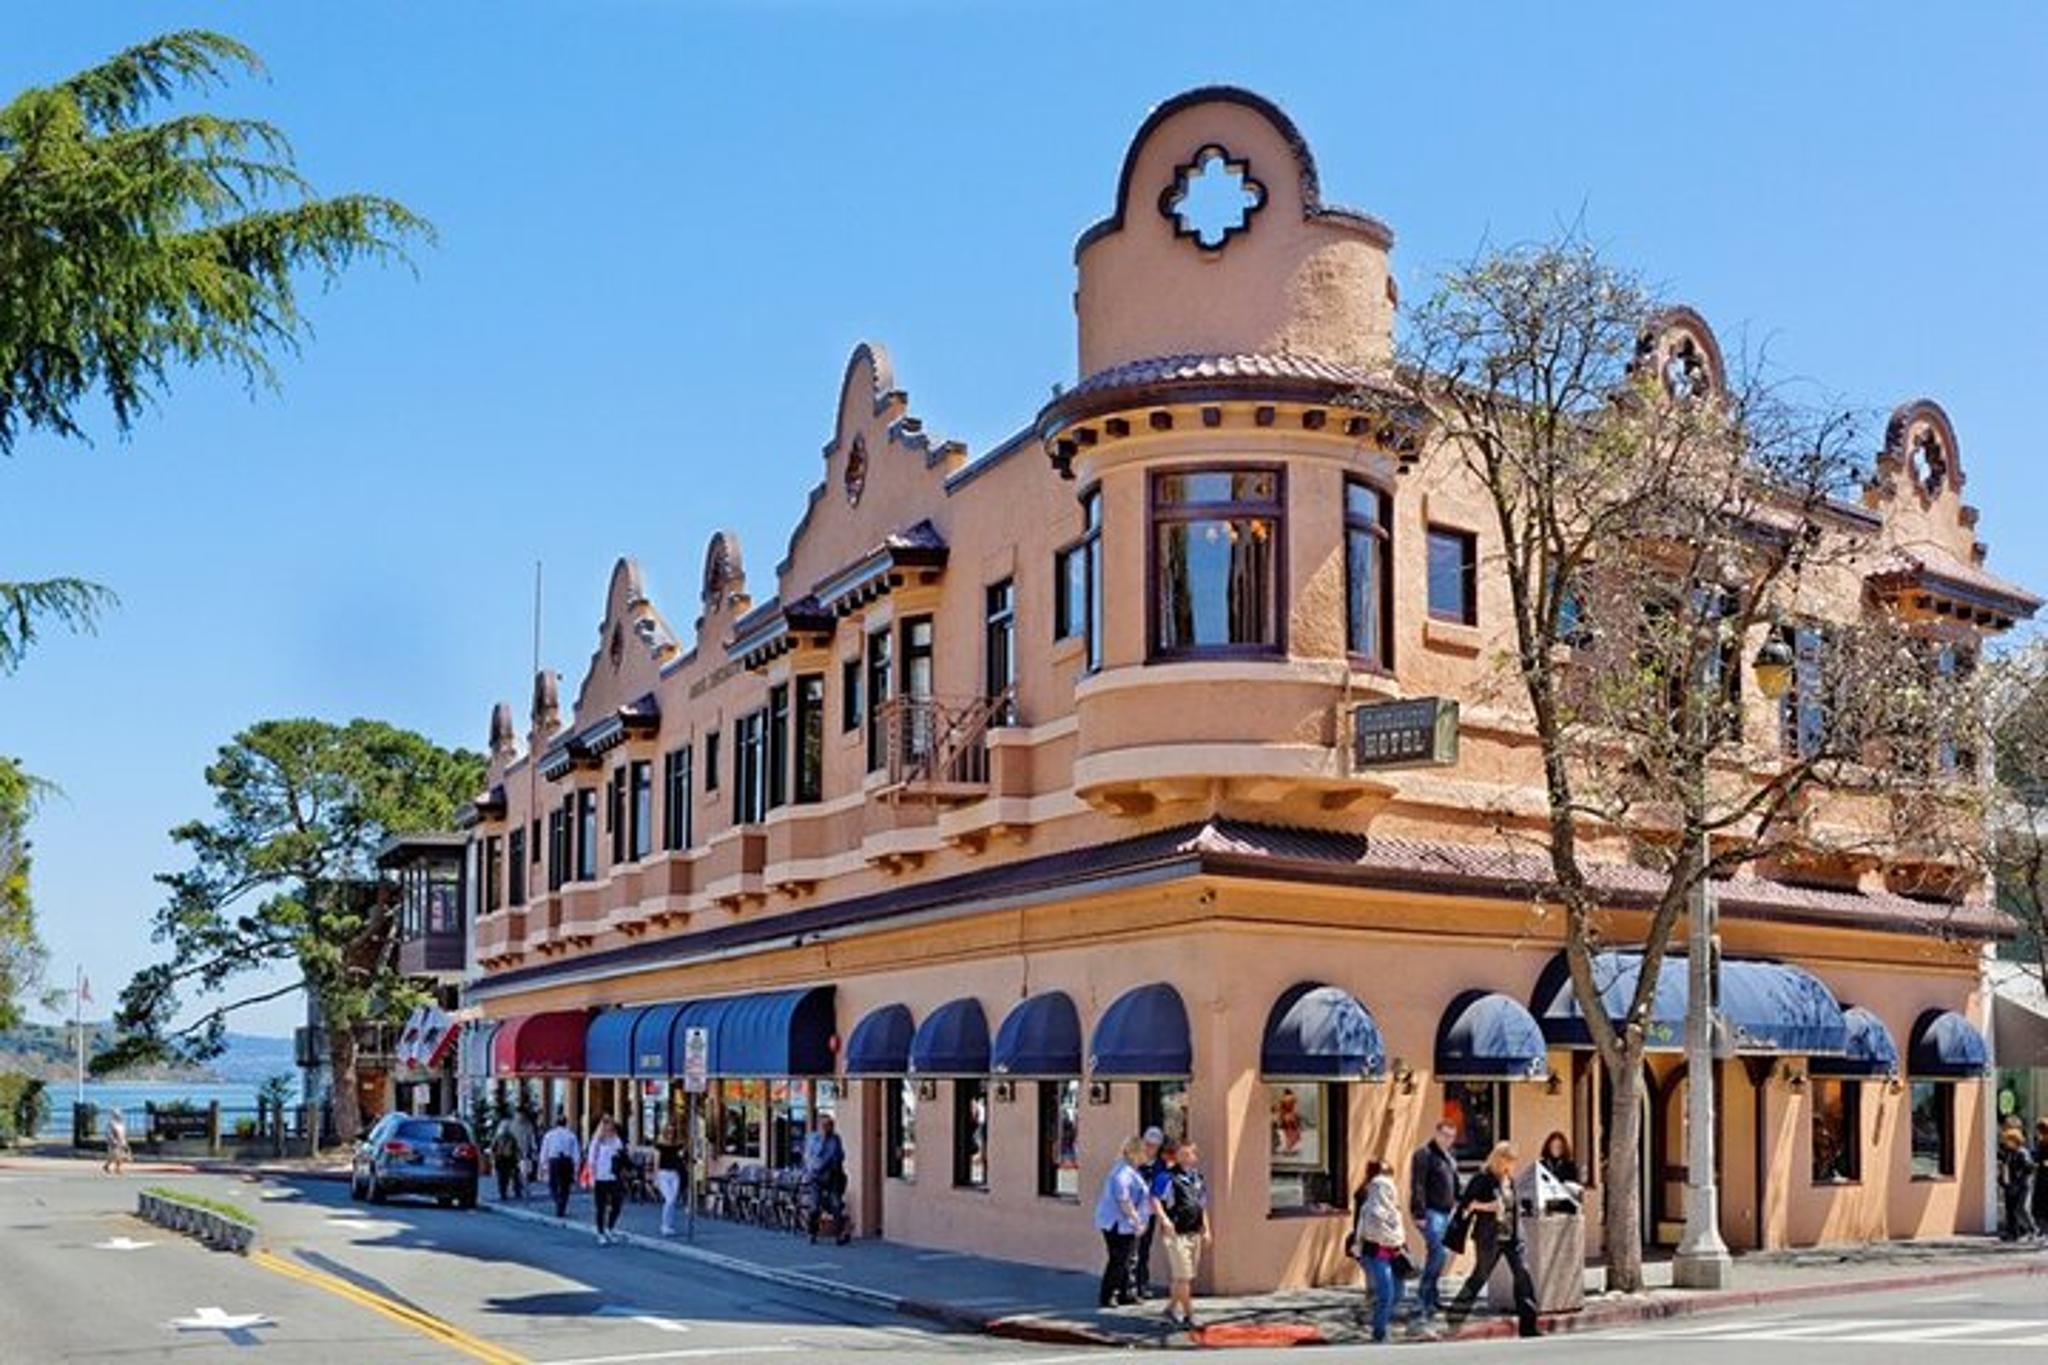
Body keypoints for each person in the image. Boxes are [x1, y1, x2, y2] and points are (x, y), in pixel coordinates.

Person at [1446, 1141, 1542, 1338]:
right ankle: (1454, 1317)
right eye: (1509, 1161)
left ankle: (1529, 1326)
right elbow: (1467, 1204)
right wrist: (1489, 1206)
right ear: (1499, 1159)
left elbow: (1512, 1206)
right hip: (1489, 1237)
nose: (1512, 1165)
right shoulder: (1482, 1179)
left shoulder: (1509, 1180)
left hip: (1512, 1236)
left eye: (1513, 1161)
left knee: (1523, 1275)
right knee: (1479, 1277)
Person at [1149, 1139, 1211, 1329]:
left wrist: (1206, 1229)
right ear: (1176, 1156)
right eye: (1183, 1154)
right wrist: (1164, 1220)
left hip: (1194, 1231)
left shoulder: (1197, 1178)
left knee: (1183, 1277)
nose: (1188, 1157)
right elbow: (1154, 1199)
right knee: (1183, 1276)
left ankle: (1169, 1311)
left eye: (1190, 1153)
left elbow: (1201, 1205)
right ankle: (1190, 1315)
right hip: (1176, 1233)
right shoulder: (1167, 1177)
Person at [1407, 1120, 1459, 1325]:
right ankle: (1422, 1298)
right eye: (1445, 1135)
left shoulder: (1450, 1156)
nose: (1448, 1139)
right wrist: (1419, 1213)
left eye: (1451, 1136)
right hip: (1430, 1212)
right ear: (1437, 1133)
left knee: (1438, 1255)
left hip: (1447, 1213)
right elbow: (1417, 1185)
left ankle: (1432, 1297)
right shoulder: (1424, 1154)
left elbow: (1454, 1182)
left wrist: (1460, 1201)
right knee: (1439, 1252)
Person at [1351, 1160, 1407, 1344]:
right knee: (1385, 1292)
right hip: (1375, 1252)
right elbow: (1367, 1229)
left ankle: (1375, 1317)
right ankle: (1379, 1331)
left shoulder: (1393, 1206)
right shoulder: (1367, 1202)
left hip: (1394, 1252)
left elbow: (1399, 1229)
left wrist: (1400, 1243)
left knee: (1398, 1292)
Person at [1094, 1136, 1150, 1309]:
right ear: (1135, 1153)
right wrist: (1137, 1220)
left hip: (1127, 1224)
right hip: (1117, 1223)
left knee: (1129, 1258)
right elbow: (1123, 1200)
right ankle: (1109, 1294)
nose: (1146, 1155)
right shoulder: (1122, 1173)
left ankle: (1126, 1292)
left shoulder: (1132, 1171)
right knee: (1118, 1259)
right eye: (1143, 1152)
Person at [801, 1113, 851, 1244]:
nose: (827, 1127)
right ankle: (812, 1232)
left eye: (829, 1125)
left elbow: (838, 1156)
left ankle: (839, 1235)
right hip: (816, 1177)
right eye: (824, 1125)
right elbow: (809, 1158)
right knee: (814, 1207)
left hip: (832, 1177)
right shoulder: (812, 1138)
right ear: (819, 1125)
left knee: (836, 1205)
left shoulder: (835, 1139)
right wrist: (822, 1140)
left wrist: (832, 1162)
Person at [1132, 1126, 1166, 1299]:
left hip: (1149, 1213)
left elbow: (1161, 1188)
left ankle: (1142, 1285)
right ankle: (1127, 1287)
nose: (1150, 1148)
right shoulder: (1135, 1162)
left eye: (1154, 1145)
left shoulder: (1161, 1165)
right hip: (1131, 1211)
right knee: (1130, 1251)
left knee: (1144, 1249)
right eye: (1147, 1144)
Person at [585, 1115, 627, 1245]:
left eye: (610, 1125)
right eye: (605, 1125)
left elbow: (622, 1156)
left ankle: (610, 1227)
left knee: (617, 1204)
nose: (608, 1128)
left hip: (614, 1176)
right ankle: (600, 1232)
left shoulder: (616, 1140)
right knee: (600, 1207)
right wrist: (592, 1178)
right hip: (600, 1177)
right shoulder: (596, 1142)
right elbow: (591, 1160)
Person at [538, 1111, 580, 1220]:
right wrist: (576, 1167)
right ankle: (562, 1206)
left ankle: (557, 1200)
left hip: (554, 1160)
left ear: (556, 1123)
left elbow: (544, 1150)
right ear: (566, 1123)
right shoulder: (571, 1135)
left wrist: (543, 1165)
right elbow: (576, 1153)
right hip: (566, 1161)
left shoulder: (549, 1135)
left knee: (553, 1184)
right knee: (565, 1185)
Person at [1997, 1126, 2035, 1241]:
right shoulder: (2009, 1153)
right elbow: (2005, 1167)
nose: (2006, 1143)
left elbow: (2029, 1168)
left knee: (2020, 1208)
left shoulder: (2022, 1153)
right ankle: (2012, 1233)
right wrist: (2002, 1180)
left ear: (2015, 1140)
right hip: (2010, 1184)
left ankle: (2032, 1229)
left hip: (2021, 1185)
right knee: (2010, 1210)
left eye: (2009, 1140)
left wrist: (2019, 1175)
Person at [653, 1121, 686, 1237]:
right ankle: (664, 1225)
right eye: (669, 1131)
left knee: (673, 1200)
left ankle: (670, 1225)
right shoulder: (659, 1145)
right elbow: (656, 1162)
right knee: (669, 1199)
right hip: (663, 1174)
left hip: (675, 1174)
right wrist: (655, 1178)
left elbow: (682, 1157)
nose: (671, 1134)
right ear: (665, 1132)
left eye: (673, 1132)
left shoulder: (678, 1145)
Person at [491, 1112, 526, 1201]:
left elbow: (493, 1148)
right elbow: (516, 1148)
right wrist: (520, 1155)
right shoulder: (511, 1137)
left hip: (500, 1159)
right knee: (514, 1175)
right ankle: (516, 1191)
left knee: (502, 1177)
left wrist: (493, 1159)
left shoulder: (498, 1137)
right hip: (510, 1159)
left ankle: (503, 1193)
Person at [510, 1106, 539, 1196]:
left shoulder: (526, 1125)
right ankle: (518, 1188)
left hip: (522, 1152)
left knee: (523, 1172)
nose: (520, 1116)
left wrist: (534, 1149)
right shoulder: (513, 1124)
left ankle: (522, 1188)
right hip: (516, 1152)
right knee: (517, 1171)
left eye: (521, 1114)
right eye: (519, 1114)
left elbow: (532, 1138)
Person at [102, 1109, 131, 1176]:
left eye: (119, 1114)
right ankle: (116, 1168)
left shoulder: (121, 1123)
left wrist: (125, 1141)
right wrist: (113, 1141)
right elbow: (108, 1133)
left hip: (121, 1141)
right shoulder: (111, 1123)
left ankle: (110, 1167)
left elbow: (124, 1133)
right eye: (117, 1114)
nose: (119, 1116)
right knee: (115, 1156)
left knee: (120, 1156)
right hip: (114, 1143)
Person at [2033, 1117, 2048, 1239]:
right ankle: (2043, 1230)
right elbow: (2037, 1156)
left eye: (2041, 1131)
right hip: (2041, 1176)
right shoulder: (2040, 1143)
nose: (2039, 1134)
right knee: (2039, 1203)